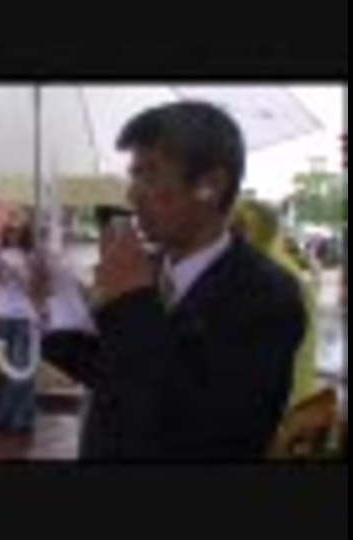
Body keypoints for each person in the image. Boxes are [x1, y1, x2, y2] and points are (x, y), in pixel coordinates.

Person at [41, 101, 306, 460]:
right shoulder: (148, 268)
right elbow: (110, 373)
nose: (132, 194)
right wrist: (55, 303)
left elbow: (206, 429)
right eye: (133, 175)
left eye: (149, 174)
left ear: (210, 186)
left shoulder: (268, 296)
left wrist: (131, 300)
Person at [230, 198, 319, 409]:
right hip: (286, 397)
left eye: (238, 228)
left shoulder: (270, 278)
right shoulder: (280, 269)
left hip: (280, 404)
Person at [0, 221, 45, 436]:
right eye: (10, 231)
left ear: (25, 233)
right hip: (1, 318)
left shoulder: (34, 257)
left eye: (18, 231)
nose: (13, 234)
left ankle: (21, 420)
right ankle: (0, 417)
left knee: (22, 370)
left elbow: (40, 289)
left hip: (25, 319)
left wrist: (23, 275)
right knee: (4, 371)